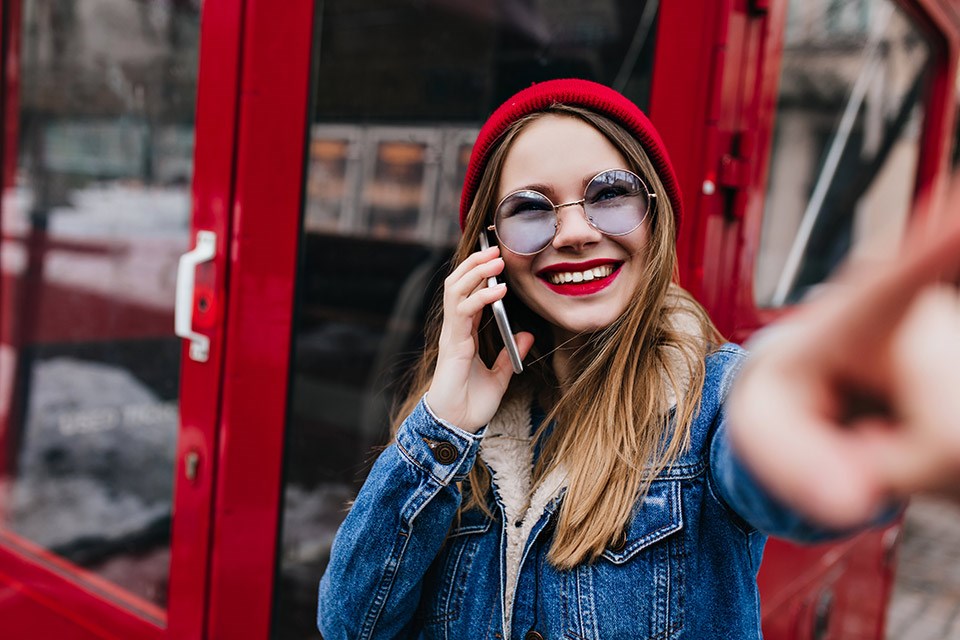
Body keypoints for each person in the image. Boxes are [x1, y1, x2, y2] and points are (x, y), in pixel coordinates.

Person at [317, 78, 960, 639]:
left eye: (610, 196)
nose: (572, 232)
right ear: (490, 249)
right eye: (530, 211)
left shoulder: (714, 403)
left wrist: (805, 417)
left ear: (656, 216)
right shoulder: (456, 428)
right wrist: (444, 422)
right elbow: (350, 624)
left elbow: (762, 467)